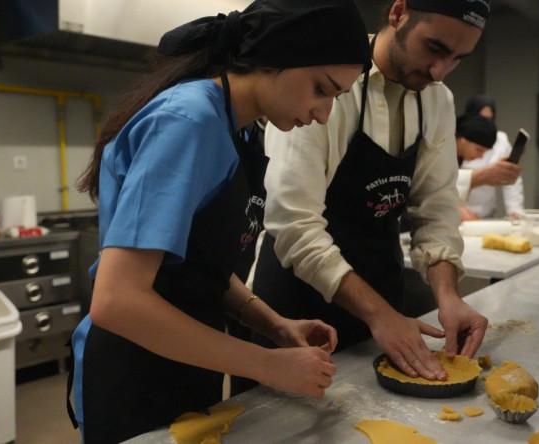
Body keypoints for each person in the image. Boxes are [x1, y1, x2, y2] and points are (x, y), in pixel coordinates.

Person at [68, 1, 372, 441]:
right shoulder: (188, 120)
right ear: (275, 56)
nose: (323, 115)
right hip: (136, 374)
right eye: (321, 89)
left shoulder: (241, 128)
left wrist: (273, 325)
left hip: (193, 361)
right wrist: (266, 364)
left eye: (337, 98)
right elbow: (118, 302)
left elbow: (196, 263)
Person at [249, 0, 490, 384]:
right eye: (435, 48)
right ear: (398, 14)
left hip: (382, 303)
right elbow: (293, 224)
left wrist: (448, 297)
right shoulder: (329, 78)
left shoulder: (437, 98)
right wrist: (380, 315)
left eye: (458, 58)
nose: (440, 72)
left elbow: (436, 208)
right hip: (296, 310)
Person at [457, 94, 523, 221]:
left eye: (489, 120)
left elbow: (511, 180)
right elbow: (442, 184)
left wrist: (514, 210)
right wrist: (456, 208)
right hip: (459, 213)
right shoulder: (455, 144)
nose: (480, 156)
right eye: (478, 150)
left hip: (486, 213)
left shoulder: (500, 140)